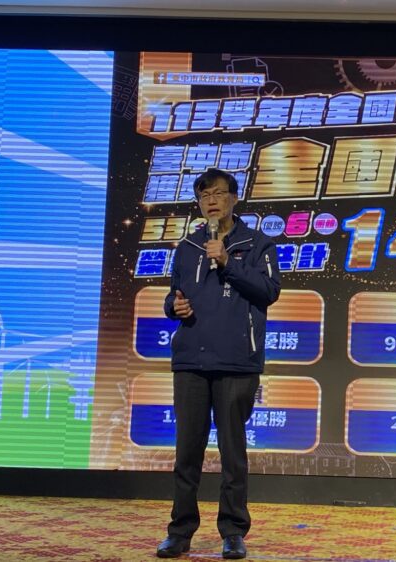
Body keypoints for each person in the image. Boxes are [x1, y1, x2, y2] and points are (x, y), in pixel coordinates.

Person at [157, 169, 281, 559]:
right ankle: (180, 532)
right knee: (186, 453)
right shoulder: (187, 246)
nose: (211, 201)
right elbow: (173, 294)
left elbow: (269, 291)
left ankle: (233, 531)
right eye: (204, 195)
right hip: (191, 360)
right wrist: (173, 306)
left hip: (236, 361)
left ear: (234, 198)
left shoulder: (258, 244)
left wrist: (227, 261)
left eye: (218, 193)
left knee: (232, 453)